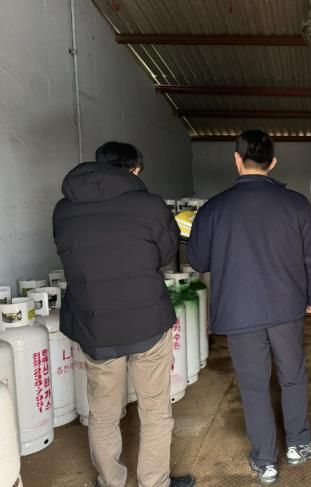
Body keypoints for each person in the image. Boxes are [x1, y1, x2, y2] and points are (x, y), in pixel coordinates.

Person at [52, 142, 195, 487]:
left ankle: (110, 481)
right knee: (154, 408)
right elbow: (166, 255)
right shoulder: (149, 205)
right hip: (147, 321)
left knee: (102, 412)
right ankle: (154, 481)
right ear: (134, 170)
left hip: (95, 325)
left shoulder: (64, 209)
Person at [188, 130, 311, 485]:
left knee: (253, 385)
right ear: (273, 162)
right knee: (292, 376)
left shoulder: (214, 208)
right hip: (287, 307)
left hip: (239, 310)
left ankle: (265, 462)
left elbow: (198, 260)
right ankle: (298, 444)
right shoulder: (296, 204)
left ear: (237, 159)